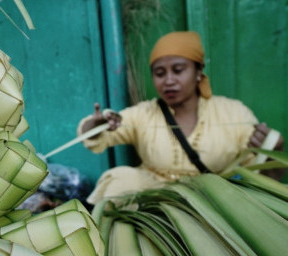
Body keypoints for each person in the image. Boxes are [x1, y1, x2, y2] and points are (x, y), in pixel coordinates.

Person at [78, 31, 285, 205]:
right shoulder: (144, 113)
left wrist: (271, 150)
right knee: (121, 180)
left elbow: (256, 174)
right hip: (155, 196)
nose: (169, 80)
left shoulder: (234, 112)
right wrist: (97, 125)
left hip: (211, 200)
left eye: (178, 70)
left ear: (198, 71)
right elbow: (102, 134)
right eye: (160, 73)